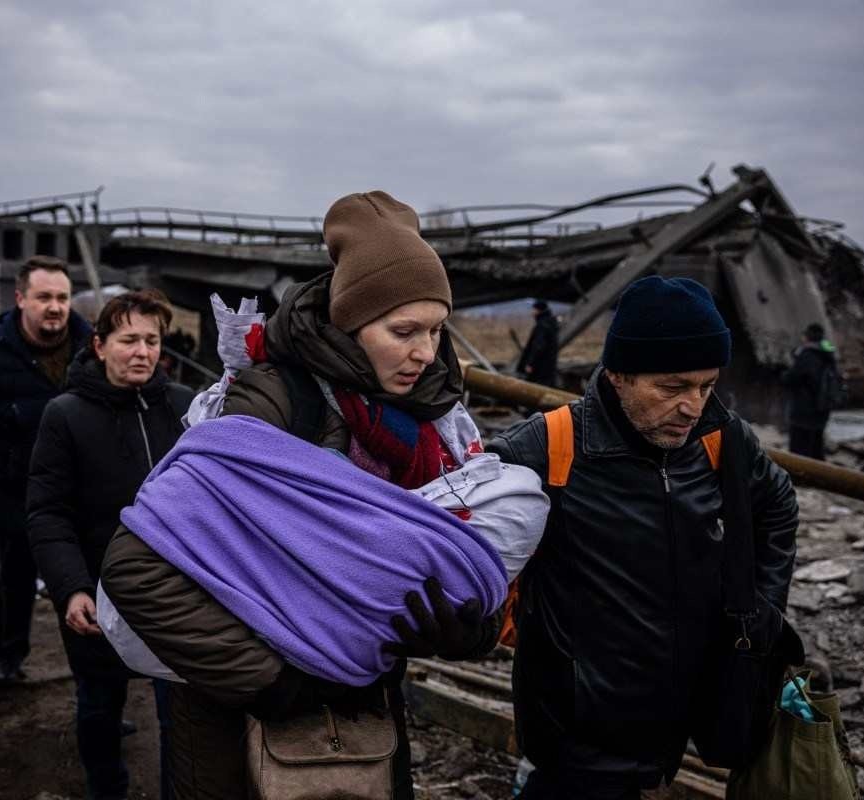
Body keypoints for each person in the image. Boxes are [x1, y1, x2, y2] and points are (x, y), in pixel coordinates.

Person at [101, 191, 503, 799]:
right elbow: (135, 568)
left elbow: (443, 555)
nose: (426, 352)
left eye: (437, 329)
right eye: (403, 331)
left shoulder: (435, 429)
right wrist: (278, 681)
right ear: (349, 323)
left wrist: (463, 630)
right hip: (235, 727)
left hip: (361, 722)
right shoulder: (275, 402)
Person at [489, 276, 799, 799]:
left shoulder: (721, 441)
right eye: (673, 387)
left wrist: (758, 610)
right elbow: (461, 530)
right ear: (617, 374)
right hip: (576, 725)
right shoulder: (549, 446)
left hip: (681, 714)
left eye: (706, 386)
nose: (692, 406)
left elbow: (778, 507)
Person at [28, 289, 190, 800]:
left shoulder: (186, 409)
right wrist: (72, 587)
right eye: (128, 340)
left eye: (151, 340)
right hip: (99, 594)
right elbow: (48, 511)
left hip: (177, 596)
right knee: (99, 707)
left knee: (181, 716)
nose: (141, 352)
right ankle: (107, 790)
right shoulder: (66, 414)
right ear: (99, 346)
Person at [0, 256, 91, 687]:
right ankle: (10, 658)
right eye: (44, 297)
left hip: (80, 494)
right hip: (16, 493)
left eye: (62, 298)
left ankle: (97, 686)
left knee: (86, 585)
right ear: (20, 299)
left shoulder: (91, 347)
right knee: (17, 582)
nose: (55, 307)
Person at [779, 322, 839, 460]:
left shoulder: (807, 355)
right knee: (816, 448)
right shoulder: (829, 354)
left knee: (799, 450)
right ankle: (819, 477)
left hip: (803, 410)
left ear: (807, 337)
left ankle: (800, 478)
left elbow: (791, 378)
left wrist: (784, 374)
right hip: (822, 408)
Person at [517, 299, 559, 387]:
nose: (532, 312)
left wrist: (530, 364)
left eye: (533, 309)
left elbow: (539, 346)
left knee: (535, 388)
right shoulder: (551, 323)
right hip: (548, 366)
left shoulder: (542, 325)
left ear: (538, 310)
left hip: (540, 367)